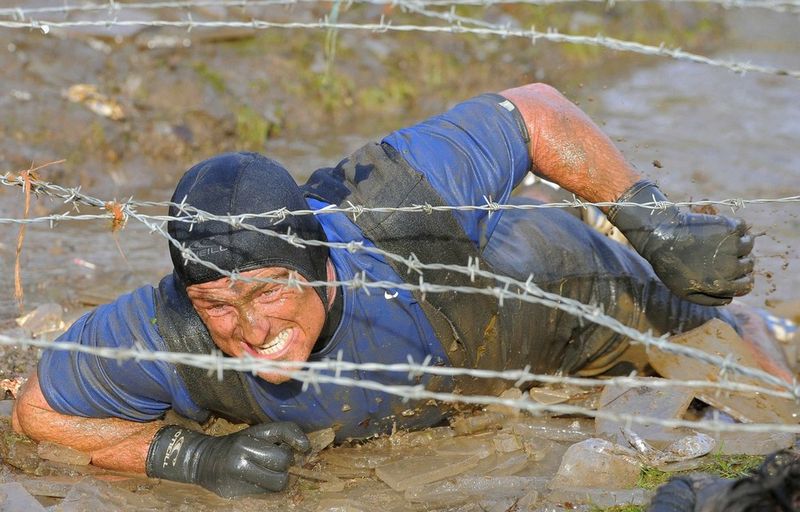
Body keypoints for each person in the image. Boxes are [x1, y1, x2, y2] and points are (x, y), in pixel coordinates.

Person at [10, 83, 791, 498]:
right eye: (219, 304)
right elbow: (40, 409)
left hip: (562, 293)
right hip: (468, 378)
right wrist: (189, 458)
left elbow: (534, 110)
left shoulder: (393, 200)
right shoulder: (172, 330)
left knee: (726, 362)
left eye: (269, 291)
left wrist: (657, 223)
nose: (250, 330)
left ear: (318, 263)